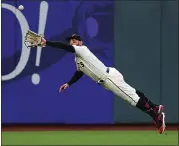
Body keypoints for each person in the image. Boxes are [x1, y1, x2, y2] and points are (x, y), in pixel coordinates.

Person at [29, 33, 166, 134]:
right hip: (109, 75)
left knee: (132, 98)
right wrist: (68, 83)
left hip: (108, 78)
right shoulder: (78, 59)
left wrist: (47, 42)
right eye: (71, 41)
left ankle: (156, 116)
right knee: (133, 92)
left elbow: (65, 48)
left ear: (80, 42)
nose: (72, 42)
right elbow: (79, 72)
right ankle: (154, 107)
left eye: (75, 40)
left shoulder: (81, 49)